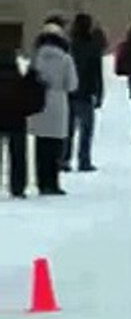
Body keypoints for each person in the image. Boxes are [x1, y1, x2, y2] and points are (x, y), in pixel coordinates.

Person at [27, 22, 77, 196]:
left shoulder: (36, 57)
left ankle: (41, 182)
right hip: (58, 103)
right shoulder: (65, 58)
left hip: (38, 102)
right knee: (55, 146)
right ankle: (52, 182)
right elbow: (72, 84)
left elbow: (30, 78)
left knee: (40, 146)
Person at [64, 13, 104, 172]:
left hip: (69, 92)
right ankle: (84, 160)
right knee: (86, 130)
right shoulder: (92, 46)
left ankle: (64, 159)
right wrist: (99, 93)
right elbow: (97, 72)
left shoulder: (68, 45)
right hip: (86, 92)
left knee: (68, 129)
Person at [0, 48, 42, 198]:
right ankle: (18, 187)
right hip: (17, 121)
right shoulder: (20, 80)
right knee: (18, 156)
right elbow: (31, 100)